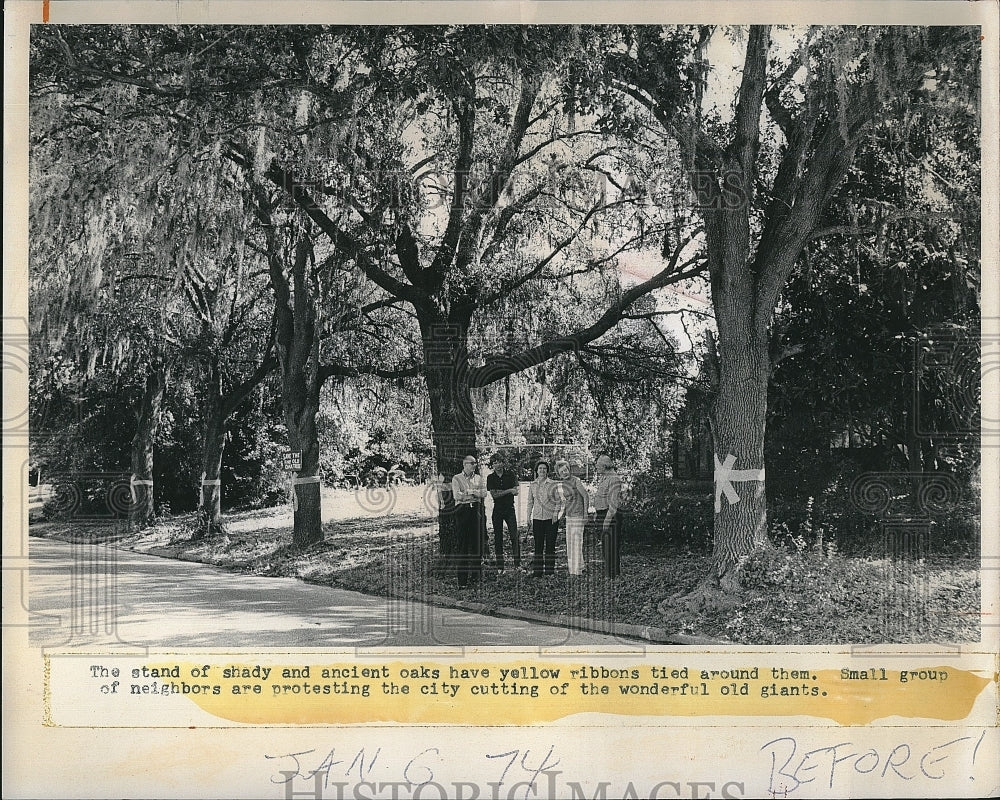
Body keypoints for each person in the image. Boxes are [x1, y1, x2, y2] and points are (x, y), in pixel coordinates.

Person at [451, 455, 487, 587]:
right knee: (463, 546)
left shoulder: (479, 478)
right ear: (464, 464)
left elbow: (484, 493)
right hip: (462, 511)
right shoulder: (456, 478)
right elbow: (456, 495)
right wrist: (473, 493)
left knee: (476, 544)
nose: (474, 465)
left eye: (475, 463)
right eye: (472, 463)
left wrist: (469, 492)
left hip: (475, 511)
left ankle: (476, 579)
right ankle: (462, 581)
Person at [553, 459, 590, 576]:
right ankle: (580, 567)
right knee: (570, 543)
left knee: (577, 542)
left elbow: (585, 496)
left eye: (566, 470)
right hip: (569, 516)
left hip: (578, 515)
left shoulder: (576, 481)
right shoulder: (562, 485)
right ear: (559, 474)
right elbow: (565, 502)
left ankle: (576, 571)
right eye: (562, 471)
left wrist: (585, 514)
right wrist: (559, 515)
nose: (565, 472)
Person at [487, 452, 520, 572]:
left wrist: (505, 491)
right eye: (495, 463)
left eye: (499, 462)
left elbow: (516, 491)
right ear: (492, 465)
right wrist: (508, 490)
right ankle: (500, 567)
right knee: (498, 538)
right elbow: (494, 495)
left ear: (503, 463)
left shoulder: (510, 474)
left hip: (510, 509)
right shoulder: (490, 478)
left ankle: (517, 565)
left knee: (514, 536)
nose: (497, 465)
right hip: (498, 510)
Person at [591, 454, 623, 578]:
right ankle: (609, 573)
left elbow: (613, 504)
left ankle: (613, 574)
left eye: (598, 465)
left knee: (611, 546)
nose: (596, 467)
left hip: (610, 516)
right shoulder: (605, 477)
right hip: (602, 514)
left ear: (604, 466)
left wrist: (606, 521)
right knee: (606, 546)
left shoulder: (614, 479)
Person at [525, 460, 559, 576]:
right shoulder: (533, 485)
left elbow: (559, 501)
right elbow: (530, 502)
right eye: (540, 468)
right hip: (537, 519)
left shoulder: (553, 484)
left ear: (547, 471)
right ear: (536, 471)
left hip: (551, 519)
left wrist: (555, 514)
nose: (542, 470)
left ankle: (549, 572)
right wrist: (528, 517)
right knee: (538, 545)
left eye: (544, 468)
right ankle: (537, 572)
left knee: (550, 545)